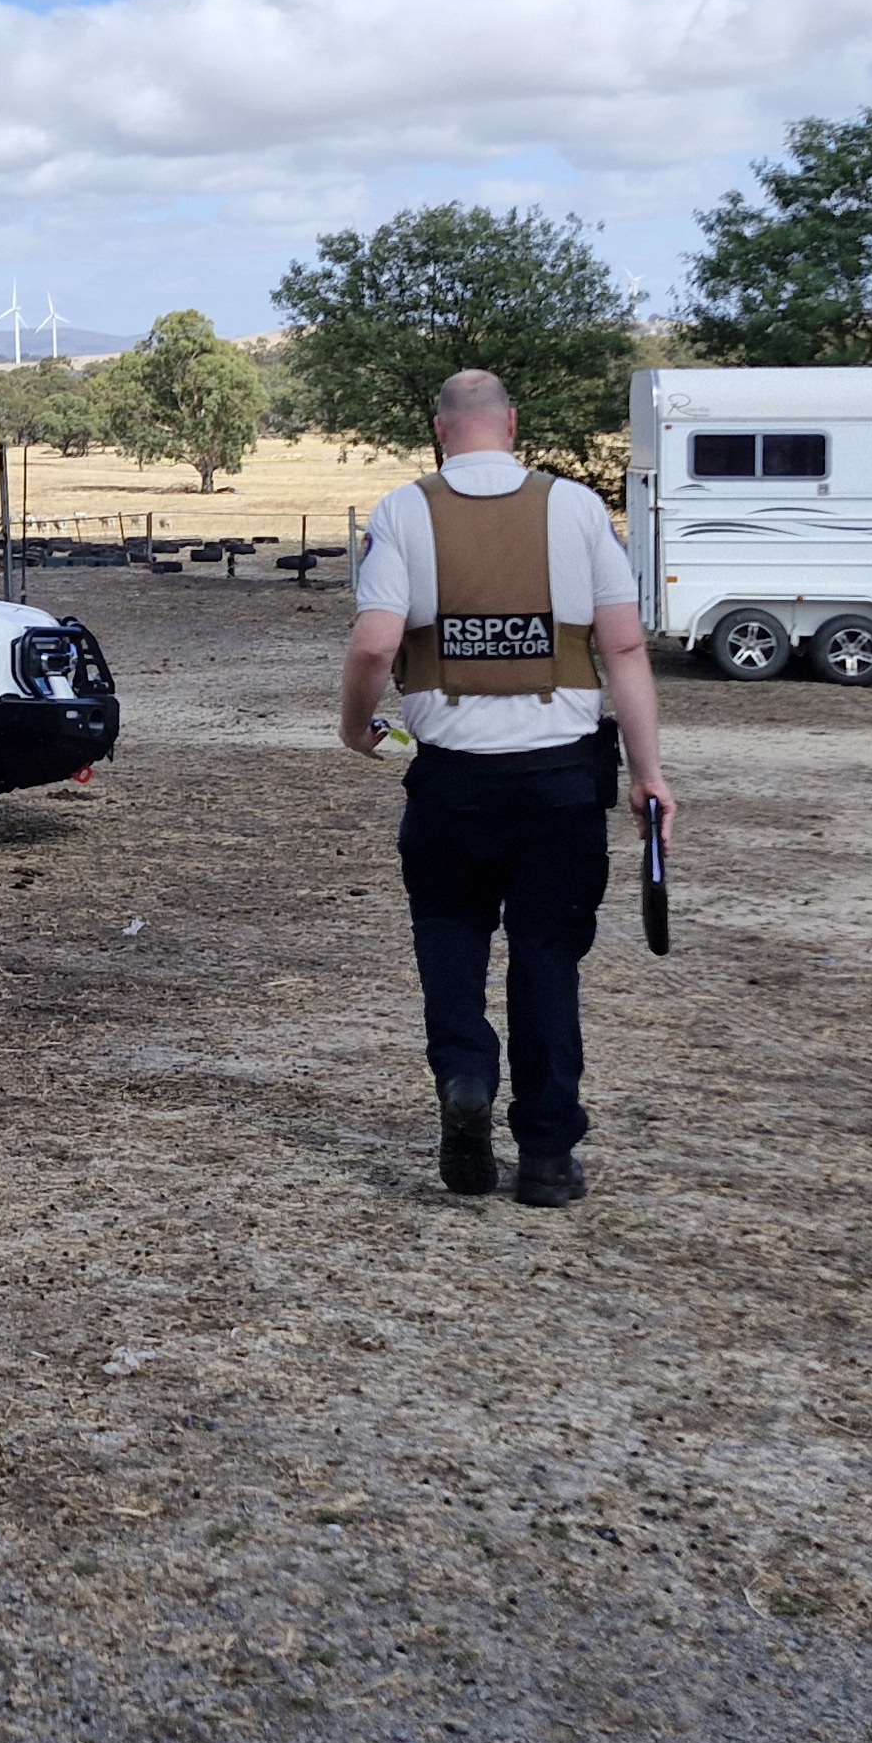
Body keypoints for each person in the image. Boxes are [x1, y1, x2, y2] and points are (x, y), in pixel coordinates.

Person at [338, 368, 673, 1207]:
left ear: (441, 430)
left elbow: (375, 645)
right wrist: (648, 774)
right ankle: (549, 1157)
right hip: (561, 780)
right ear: (512, 424)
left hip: (450, 782)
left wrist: (355, 727)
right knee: (547, 961)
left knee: (450, 941)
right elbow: (624, 648)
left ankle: (465, 1078)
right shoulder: (578, 509)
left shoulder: (402, 511)